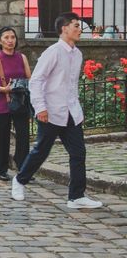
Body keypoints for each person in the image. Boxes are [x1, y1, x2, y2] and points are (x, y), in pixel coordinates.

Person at [12, 13, 103, 209]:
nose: (80, 29)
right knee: (41, 151)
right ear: (64, 28)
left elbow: (71, 85)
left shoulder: (77, 54)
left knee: (79, 153)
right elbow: (36, 80)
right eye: (76, 25)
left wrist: (77, 110)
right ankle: (19, 180)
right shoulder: (52, 52)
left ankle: (76, 196)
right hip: (51, 110)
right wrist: (40, 107)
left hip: (71, 112)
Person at [0, 27, 32, 181]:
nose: (10, 40)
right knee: (1, 137)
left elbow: (29, 78)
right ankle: (1, 168)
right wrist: (4, 89)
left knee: (23, 136)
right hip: (1, 103)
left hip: (20, 103)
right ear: (0, 41)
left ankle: (24, 167)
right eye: (6, 37)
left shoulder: (22, 58)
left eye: (12, 37)